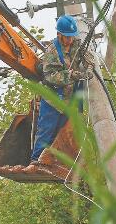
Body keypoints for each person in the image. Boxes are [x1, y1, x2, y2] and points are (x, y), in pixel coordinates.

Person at [29, 15, 92, 164]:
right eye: (67, 37)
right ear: (59, 34)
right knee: (46, 131)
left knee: (64, 132)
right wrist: (71, 75)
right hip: (53, 99)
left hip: (69, 100)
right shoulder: (52, 51)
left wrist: (89, 68)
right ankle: (36, 160)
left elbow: (88, 58)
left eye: (71, 37)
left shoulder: (77, 44)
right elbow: (50, 76)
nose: (70, 40)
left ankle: (57, 161)